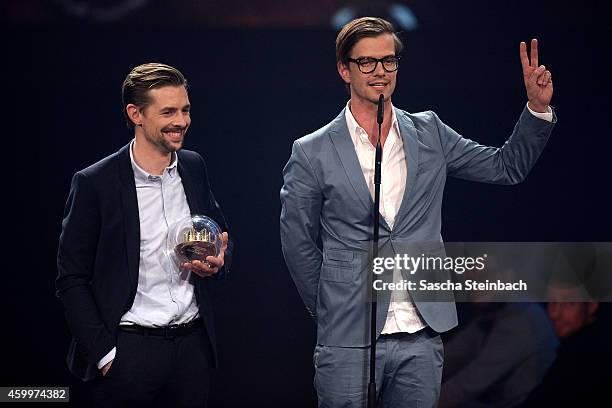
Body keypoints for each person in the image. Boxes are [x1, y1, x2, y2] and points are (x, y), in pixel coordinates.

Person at [280, 17, 555, 407]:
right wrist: (328, 306)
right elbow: (297, 241)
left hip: (422, 335)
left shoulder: (430, 132)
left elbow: (505, 167)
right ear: (344, 69)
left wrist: (536, 109)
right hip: (347, 336)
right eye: (367, 62)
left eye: (389, 61)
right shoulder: (312, 150)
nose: (380, 72)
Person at [56, 63, 233, 407]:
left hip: (191, 348)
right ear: (135, 113)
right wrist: (106, 356)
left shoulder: (194, 166)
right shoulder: (95, 183)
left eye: (185, 110)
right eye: (168, 111)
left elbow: (218, 235)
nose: (181, 121)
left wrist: (217, 261)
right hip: (129, 352)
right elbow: (71, 279)